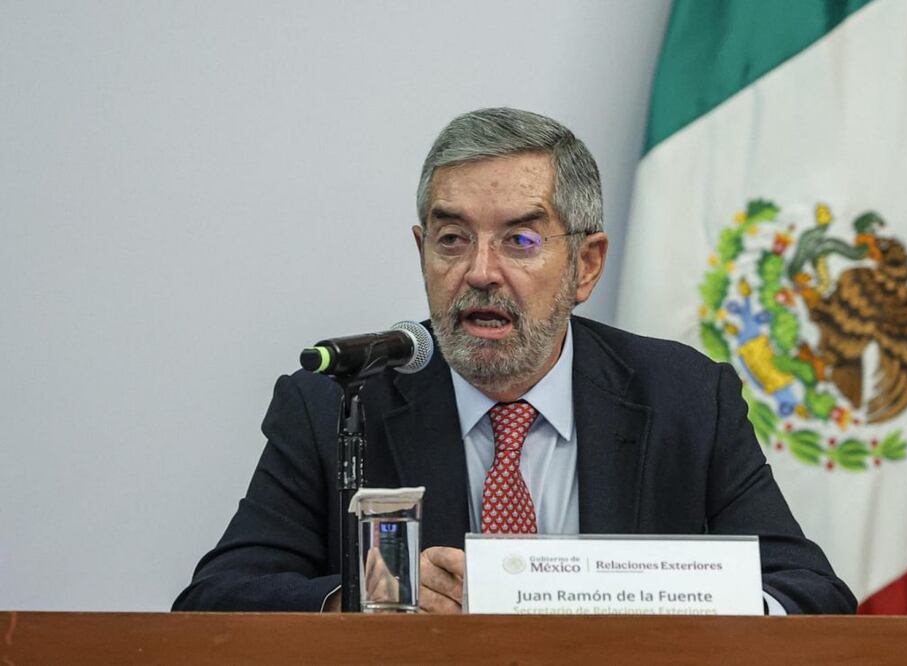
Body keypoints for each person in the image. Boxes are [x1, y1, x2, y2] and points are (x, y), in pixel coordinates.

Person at [173, 107, 856, 615]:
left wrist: (672, 603)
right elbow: (215, 601)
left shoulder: (682, 397)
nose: (478, 273)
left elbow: (808, 594)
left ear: (584, 265)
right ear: (421, 251)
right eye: (450, 238)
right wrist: (364, 599)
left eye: (520, 240)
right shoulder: (335, 404)